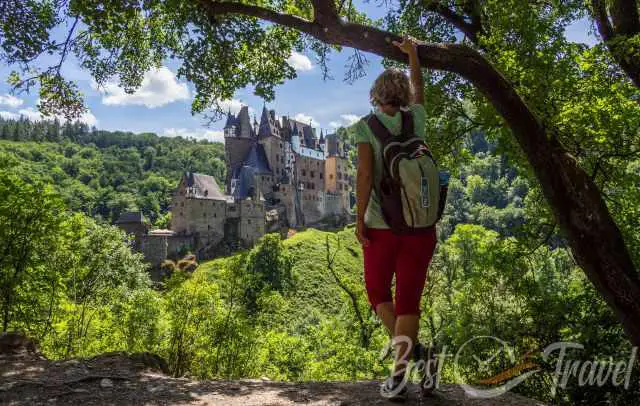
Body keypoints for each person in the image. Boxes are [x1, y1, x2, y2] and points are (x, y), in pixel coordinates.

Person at [351, 36, 438, 402]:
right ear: (400, 94)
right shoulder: (415, 118)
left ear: (375, 93)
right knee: (409, 303)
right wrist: (413, 55)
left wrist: (358, 218)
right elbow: (420, 89)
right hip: (421, 226)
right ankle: (417, 359)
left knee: (377, 294)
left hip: (381, 227)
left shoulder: (366, 126)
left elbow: (365, 177)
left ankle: (404, 372)